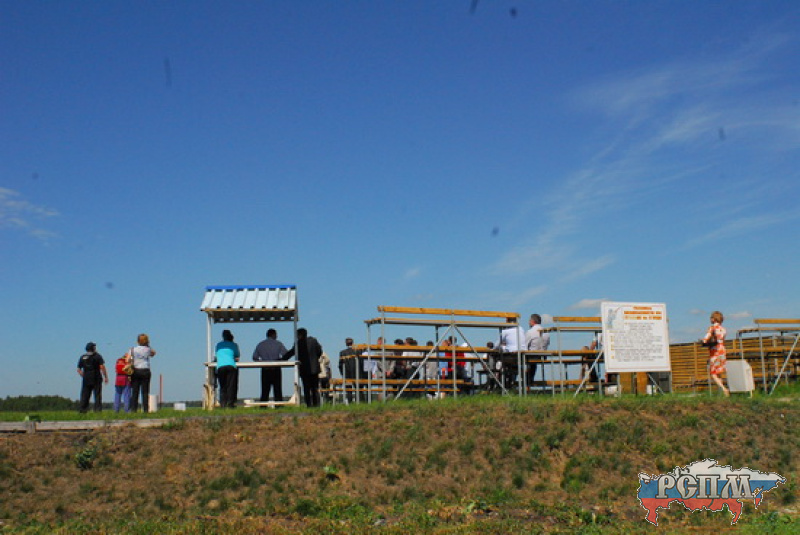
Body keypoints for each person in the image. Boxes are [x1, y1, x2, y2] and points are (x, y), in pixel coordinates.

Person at [283, 328, 323, 407]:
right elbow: (319, 351)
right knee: (315, 388)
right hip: (314, 368)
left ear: (299, 335)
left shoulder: (298, 343)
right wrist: (315, 359)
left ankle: (309, 405)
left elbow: (291, 352)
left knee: (306, 388)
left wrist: (282, 359)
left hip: (304, 369)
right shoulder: (313, 341)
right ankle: (317, 405)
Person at [253, 328, 288, 403]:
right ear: (273, 334)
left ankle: (263, 405)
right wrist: (280, 360)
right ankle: (279, 405)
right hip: (276, 368)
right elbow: (285, 354)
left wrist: (261, 362)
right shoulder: (278, 343)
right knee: (277, 389)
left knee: (265, 390)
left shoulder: (261, 344)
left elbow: (255, 357)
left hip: (265, 368)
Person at [703, 310, 730, 397]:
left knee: (713, 373)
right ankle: (722, 394)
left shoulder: (712, 328)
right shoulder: (723, 329)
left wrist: (704, 342)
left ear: (713, 319)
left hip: (714, 351)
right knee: (719, 372)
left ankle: (724, 389)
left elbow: (705, 339)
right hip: (722, 350)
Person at [77, 342, 108, 413]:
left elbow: (78, 369)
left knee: (85, 395)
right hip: (96, 377)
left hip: (86, 378)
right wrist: (105, 376)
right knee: (97, 395)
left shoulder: (82, 357)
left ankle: (83, 410)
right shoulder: (97, 356)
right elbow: (102, 367)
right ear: (93, 348)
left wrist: (83, 375)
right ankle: (97, 410)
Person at [130, 333, 156, 412]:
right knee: (145, 392)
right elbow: (153, 353)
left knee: (135, 391)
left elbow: (129, 359)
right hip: (145, 370)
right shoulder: (148, 349)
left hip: (136, 370)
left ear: (138, 341)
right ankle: (145, 409)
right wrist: (148, 345)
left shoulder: (133, 349)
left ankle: (134, 409)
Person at [215, 329, 240, 408]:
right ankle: (230, 404)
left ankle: (223, 404)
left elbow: (216, 356)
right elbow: (237, 355)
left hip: (220, 366)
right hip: (231, 365)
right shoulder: (234, 345)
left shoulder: (218, 345)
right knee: (231, 386)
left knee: (222, 386)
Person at [525, 313, 550, 388]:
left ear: (532, 321)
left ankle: (526, 382)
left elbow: (525, 345)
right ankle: (528, 382)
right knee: (532, 364)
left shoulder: (530, 332)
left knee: (522, 361)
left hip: (532, 356)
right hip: (543, 356)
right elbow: (547, 344)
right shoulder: (546, 332)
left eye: (529, 320)